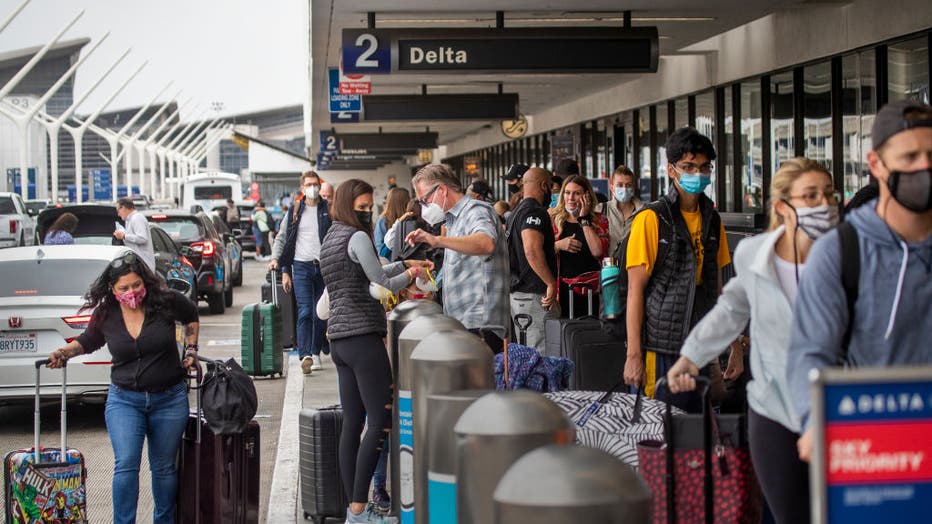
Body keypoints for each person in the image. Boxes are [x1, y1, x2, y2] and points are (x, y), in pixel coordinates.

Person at [666, 158, 838, 524]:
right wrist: (691, 357)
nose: (823, 205)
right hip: (773, 408)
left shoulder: (850, 256)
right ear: (782, 206)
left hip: (837, 409)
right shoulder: (755, 255)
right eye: (810, 196)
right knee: (786, 515)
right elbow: (731, 309)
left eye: (828, 195)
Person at [790, 99, 932, 463]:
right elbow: (810, 352)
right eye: (910, 157)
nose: (925, 168)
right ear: (876, 165)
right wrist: (814, 421)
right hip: (877, 446)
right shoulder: (842, 252)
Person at [46, 252, 199, 524]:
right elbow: (88, 340)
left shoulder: (165, 302)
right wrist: (64, 353)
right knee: (126, 465)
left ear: (145, 282)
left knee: (164, 468)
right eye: (124, 288)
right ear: (112, 289)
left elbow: (191, 316)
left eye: (136, 285)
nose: (132, 292)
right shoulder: (106, 313)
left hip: (169, 399)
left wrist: (192, 350)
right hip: (125, 401)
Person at [319, 179, 431, 524]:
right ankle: (359, 508)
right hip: (364, 338)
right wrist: (411, 272)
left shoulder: (331, 237)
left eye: (369, 206)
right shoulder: (356, 236)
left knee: (353, 422)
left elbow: (371, 271)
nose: (367, 211)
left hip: (338, 339)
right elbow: (379, 284)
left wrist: (403, 264)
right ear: (350, 204)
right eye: (363, 207)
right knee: (380, 419)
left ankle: (352, 507)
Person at [623, 127, 737, 411]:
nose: (697, 174)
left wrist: (734, 344)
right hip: (659, 346)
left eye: (703, 167)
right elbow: (635, 291)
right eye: (688, 167)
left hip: (701, 346)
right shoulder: (652, 219)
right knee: (657, 428)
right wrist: (634, 354)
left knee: (698, 432)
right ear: (671, 170)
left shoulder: (713, 220)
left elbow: (719, 290)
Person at [405, 164, 511, 337]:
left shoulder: (476, 211)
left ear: (442, 190)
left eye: (425, 200)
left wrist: (438, 240)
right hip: (463, 322)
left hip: (481, 323)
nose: (424, 207)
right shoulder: (453, 220)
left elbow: (486, 243)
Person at [272, 171, 333, 374]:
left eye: (315, 184)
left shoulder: (328, 210)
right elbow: (284, 240)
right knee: (305, 310)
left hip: (323, 267)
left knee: (321, 313)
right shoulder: (295, 210)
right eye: (308, 184)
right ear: (302, 188)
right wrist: (283, 269)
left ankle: (315, 351)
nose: (312, 188)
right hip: (301, 267)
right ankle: (305, 354)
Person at [506, 167, 559, 348]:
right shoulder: (534, 212)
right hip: (534, 295)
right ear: (544, 185)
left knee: (527, 352)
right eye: (551, 186)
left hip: (518, 294)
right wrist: (551, 283)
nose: (552, 191)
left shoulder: (515, 212)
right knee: (542, 351)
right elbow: (532, 250)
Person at [549, 174, 609, 318]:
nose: (571, 198)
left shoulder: (599, 219)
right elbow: (541, 253)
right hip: (562, 289)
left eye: (577, 193)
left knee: (590, 334)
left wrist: (584, 219)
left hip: (592, 288)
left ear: (586, 196)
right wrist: (558, 245)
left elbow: (597, 251)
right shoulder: (553, 219)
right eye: (567, 193)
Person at [601, 165, 644, 253]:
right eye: (619, 185)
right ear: (612, 187)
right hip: (609, 265)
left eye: (628, 185)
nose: (624, 188)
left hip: (634, 265)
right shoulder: (601, 210)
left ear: (633, 188)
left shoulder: (644, 212)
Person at [114, 197, 155, 270]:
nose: (118, 214)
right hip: (137, 263)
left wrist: (124, 236)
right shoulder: (129, 220)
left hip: (144, 264)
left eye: (118, 211)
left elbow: (142, 238)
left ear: (123, 207)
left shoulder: (137, 218)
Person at [374, 187, 410, 259]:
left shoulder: (409, 218)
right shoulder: (383, 221)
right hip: (392, 265)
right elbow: (380, 251)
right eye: (408, 200)